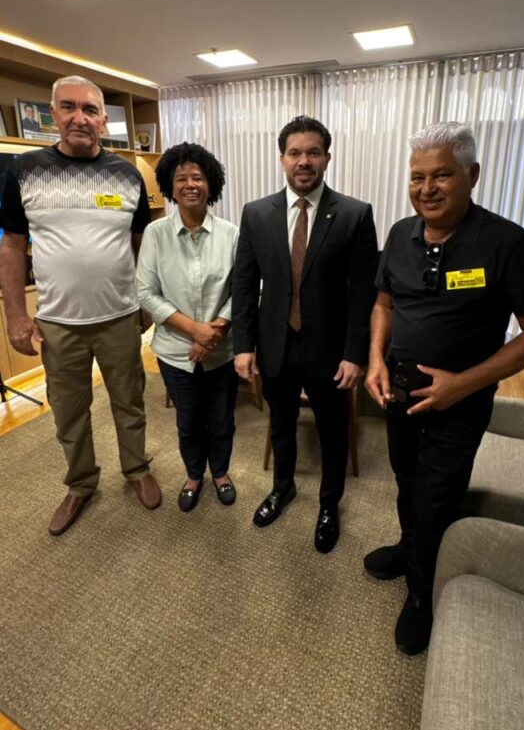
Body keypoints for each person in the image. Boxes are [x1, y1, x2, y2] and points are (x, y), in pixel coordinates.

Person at [364, 122, 524, 654]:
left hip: (461, 401)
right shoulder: (400, 234)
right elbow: (383, 303)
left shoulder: (507, 243)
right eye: (417, 177)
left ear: (472, 176)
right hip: (401, 391)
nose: (426, 188)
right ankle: (409, 547)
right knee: (406, 480)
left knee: (439, 496)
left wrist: (462, 385)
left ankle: (423, 590)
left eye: (442, 175)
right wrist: (376, 359)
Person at [0, 75, 162, 535]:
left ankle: (136, 469)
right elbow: (12, 246)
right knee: (69, 410)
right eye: (69, 107)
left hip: (120, 317)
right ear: (53, 114)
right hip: (58, 323)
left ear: (103, 119)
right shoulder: (24, 170)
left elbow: (141, 245)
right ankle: (80, 483)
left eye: (90, 110)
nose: (80, 118)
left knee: (130, 401)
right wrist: (15, 314)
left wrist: (145, 300)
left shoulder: (127, 175)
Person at [233, 116, 378, 553]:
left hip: (330, 351)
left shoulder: (354, 214)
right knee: (281, 424)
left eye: (313, 152)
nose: (304, 161)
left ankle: (329, 504)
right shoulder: (256, 214)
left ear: (327, 158)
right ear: (282, 159)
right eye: (295, 153)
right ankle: (283, 488)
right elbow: (244, 284)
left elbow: (363, 295)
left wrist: (355, 354)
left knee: (333, 431)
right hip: (275, 346)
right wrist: (243, 346)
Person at [137, 142, 239, 512]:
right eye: (182, 178)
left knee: (221, 419)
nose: (190, 184)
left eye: (198, 177)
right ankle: (194, 475)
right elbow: (145, 292)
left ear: (211, 184)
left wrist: (213, 333)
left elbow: (244, 289)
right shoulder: (155, 234)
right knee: (189, 421)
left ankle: (221, 473)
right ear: (170, 185)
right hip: (174, 352)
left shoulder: (231, 234)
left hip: (222, 350)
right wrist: (195, 331)